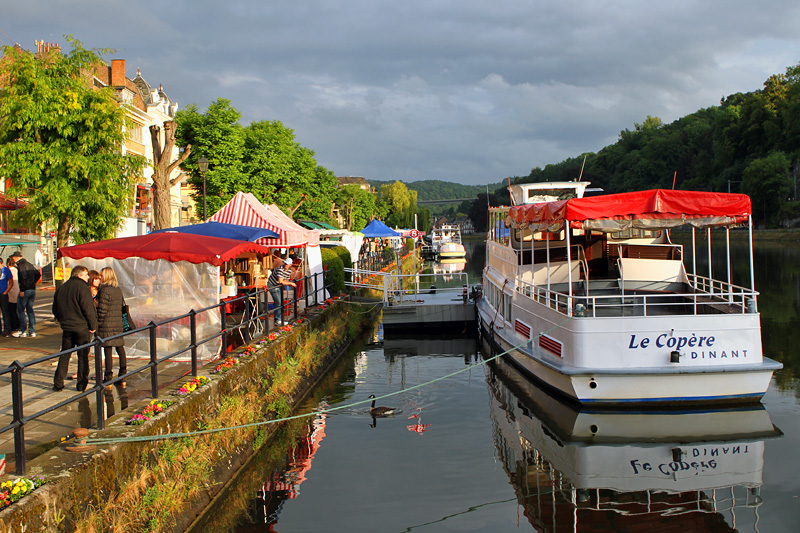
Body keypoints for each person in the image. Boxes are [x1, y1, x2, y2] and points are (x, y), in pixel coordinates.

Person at [52, 265, 98, 392]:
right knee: (83, 356)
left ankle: (58, 382)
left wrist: (63, 321)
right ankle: (82, 384)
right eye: (86, 275)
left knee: (65, 354)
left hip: (67, 326)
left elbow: (55, 309)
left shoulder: (62, 287)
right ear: (79, 275)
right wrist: (92, 325)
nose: (88, 277)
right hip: (81, 326)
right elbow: (88, 308)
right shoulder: (82, 288)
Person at [96, 267, 127, 384]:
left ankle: (108, 376)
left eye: (102, 275)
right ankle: (122, 374)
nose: (100, 278)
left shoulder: (105, 290)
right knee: (120, 348)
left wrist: (97, 323)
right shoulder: (117, 289)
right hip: (118, 323)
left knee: (108, 350)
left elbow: (102, 310)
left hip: (106, 324)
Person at [12, 252, 41, 337]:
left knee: (21, 310)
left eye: (13, 258)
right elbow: (38, 274)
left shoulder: (21, 265)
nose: (13, 259)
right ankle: (32, 331)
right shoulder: (30, 264)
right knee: (30, 310)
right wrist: (33, 283)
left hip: (25, 290)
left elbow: (23, 278)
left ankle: (22, 330)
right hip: (32, 289)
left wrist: (22, 290)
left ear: (16, 257)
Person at [268, 257, 296, 326]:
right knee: (278, 302)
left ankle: (280, 319)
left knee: (280, 302)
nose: (285, 265)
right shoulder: (280, 269)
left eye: (287, 264)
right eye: (285, 263)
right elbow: (281, 281)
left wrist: (289, 284)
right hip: (272, 285)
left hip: (278, 285)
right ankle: (277, 320)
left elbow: (285, 280)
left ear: (290, 265)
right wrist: (290, 283)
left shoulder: (289, 271)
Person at [6, 256, 19, 334]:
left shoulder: (8, 271)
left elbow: (8, 283)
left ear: (8, 264)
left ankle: (13, 326)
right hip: (18, 292)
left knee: (11, 311)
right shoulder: (17, 270)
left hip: (11, 293)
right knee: (18, 311)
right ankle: (19, 325)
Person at [0, 258, 13, 336]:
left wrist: (6, 292)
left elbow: (11, 282)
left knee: (5, 312)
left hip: (3, 293)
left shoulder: (6, 270)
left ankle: (7, 330)